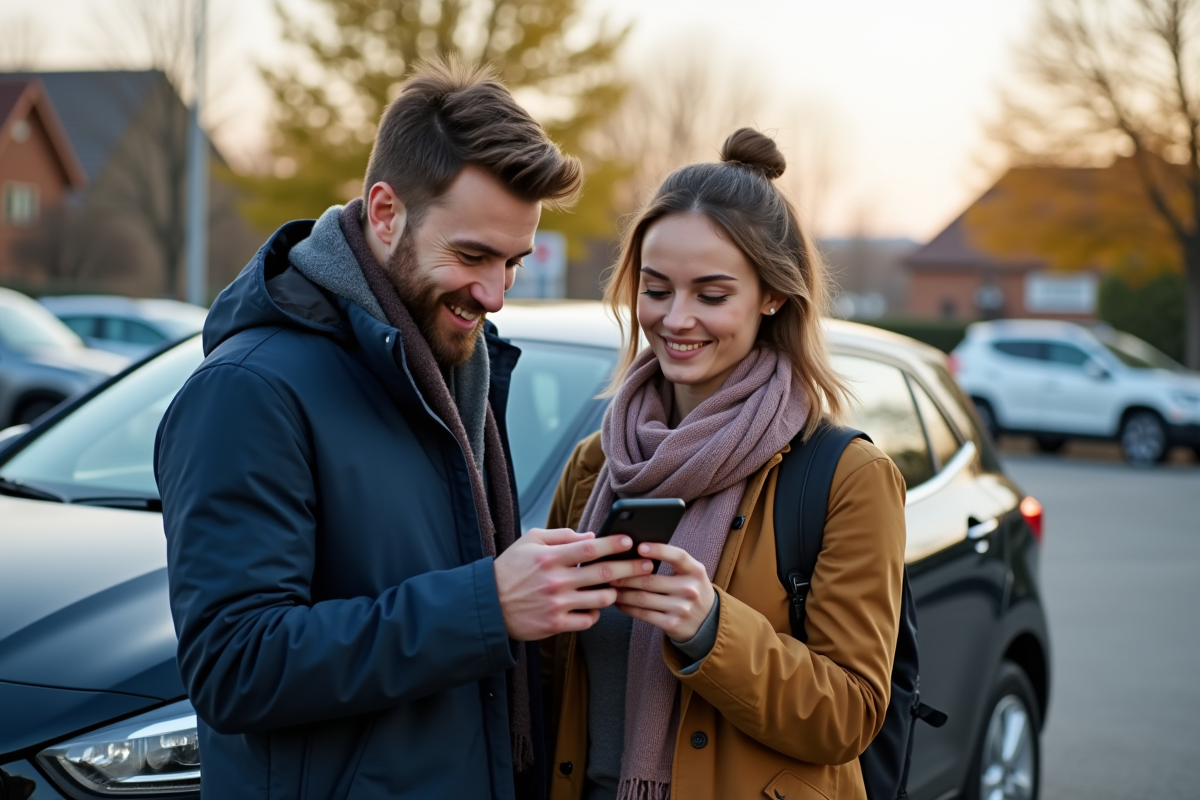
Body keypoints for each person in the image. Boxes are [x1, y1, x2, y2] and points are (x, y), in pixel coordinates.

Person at [154, 59, 652, 800]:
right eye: (473, 255)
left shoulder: (457, 373)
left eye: (514, 262)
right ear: (384, 213)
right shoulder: (248, 390)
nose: (495, 293)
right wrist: (489, 603)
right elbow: (235, 666)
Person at [542, 129, 908, 800]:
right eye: (655, 290)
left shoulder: (848, 477)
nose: (676, 320)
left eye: (711, 295)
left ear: (772, 295)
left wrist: (710, 625)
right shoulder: (597, 463)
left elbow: (850, 713)